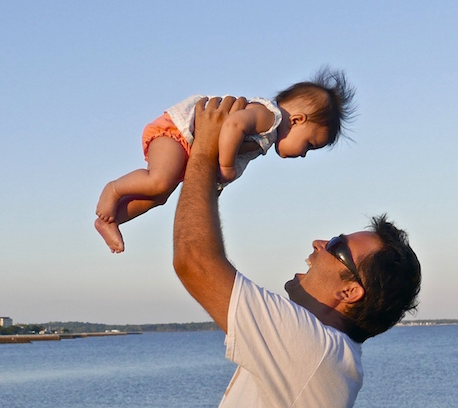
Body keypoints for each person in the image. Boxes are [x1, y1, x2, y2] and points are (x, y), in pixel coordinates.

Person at [173, 96, 422, 407]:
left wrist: (205, 151)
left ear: (350, 292)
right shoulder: (328, 356)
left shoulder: (313, 349)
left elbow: (194, 262)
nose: (319, 243)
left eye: (335, 246)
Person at [95, 67, 355, 253]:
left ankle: (112, 220)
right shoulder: (269, 117)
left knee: (159, 196)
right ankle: (114, 189)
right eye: (309, 144)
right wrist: (227, 165)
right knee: (159, 181)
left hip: (190, 150)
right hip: (179, 131)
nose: (303, 154)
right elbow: (232, 125)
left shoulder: (266, 138)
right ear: (298, 120)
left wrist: (214, 187)